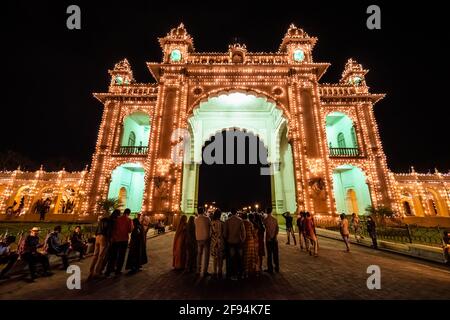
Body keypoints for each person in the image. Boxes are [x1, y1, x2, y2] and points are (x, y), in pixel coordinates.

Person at [105, 208, 133, 276]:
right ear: (129, 213)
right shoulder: (129, 220)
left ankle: (108, 271)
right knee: (121, 256)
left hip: (116, 240)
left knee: (113, 256)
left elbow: (113, 228)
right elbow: (130, 230)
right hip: (124, 240)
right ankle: (118, 271)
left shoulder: (117, 219)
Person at [88, 210, 115, 280]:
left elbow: (97, 230)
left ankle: (91, 272)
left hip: (97, 236)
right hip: (104, 237)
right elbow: (109, 231)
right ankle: (96, 273)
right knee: (101, 256)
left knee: (95, 255)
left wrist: (96, 235)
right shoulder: (110, 221)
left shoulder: (101, 220)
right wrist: (109, 239)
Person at [223, 208, 246, 280]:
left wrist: (226, 239)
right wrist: (243, 240)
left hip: (230, 242)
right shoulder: (240, 220)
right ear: (236, 213)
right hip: (238, 242)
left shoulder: (227, 221)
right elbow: (243, 232)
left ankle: (231, 274)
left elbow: (225, 233)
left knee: (231, 259)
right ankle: (240, 273)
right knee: (240, 258)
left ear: (231, 212)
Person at [194, 207, 211, 277]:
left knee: (199, 254)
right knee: (206, 255)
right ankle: (205, 271)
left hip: (198, 238)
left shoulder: (195, 219)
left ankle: (198, 270)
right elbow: (210, 227)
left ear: (198, 211)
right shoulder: (207, 218)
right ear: (203, 211)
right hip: (206, 238)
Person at [263, 207, 279, 274]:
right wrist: (274, 236)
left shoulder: (265, 220)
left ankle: (270, 268)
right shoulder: (275, 219)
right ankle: (277, 267)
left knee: (269, 255)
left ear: (266, 211)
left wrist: (270, 236)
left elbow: (266, 229)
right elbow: (277, 229)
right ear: (271, 211)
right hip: (275, 239)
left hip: (269, 239)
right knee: (275, 254)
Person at [210, 209, 225, 278]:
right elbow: (224, 234)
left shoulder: (212, 223)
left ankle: (215, 271)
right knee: (220, 258)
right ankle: (220, 271)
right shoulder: (222, 223)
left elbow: (210, 233)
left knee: (215, 258)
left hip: (214, 242)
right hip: (221, 242)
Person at [242, 212, 257, 278]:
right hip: (250, 241)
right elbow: (253, 233)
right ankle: (251, 270)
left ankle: (245, 271)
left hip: (244, 241)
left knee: (244, 257)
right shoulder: (250, 223)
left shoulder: (241, 223)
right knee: (250, 256)